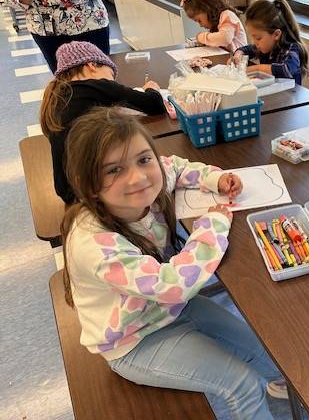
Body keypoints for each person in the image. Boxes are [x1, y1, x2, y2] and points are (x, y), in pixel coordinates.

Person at [60, 108, 287, 418]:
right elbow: (174, 285)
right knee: (241, 385)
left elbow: (175, 167)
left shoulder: (147, 184)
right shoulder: (92, 243)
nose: (138, 177)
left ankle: (282, 388)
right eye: (113, 170)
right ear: (87, 184)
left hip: (169, 309)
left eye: (143, 159)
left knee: (265, 349)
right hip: (133, 341)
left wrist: (216, 179)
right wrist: (214, 224)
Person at [40, 41, 166, 205]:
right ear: (92, 65)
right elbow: (155, 104)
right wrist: (152, 88)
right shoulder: (96, 86)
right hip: (95, 190)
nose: (113, 80)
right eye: (111, 75)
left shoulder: (56, 96)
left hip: (68, 190)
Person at [233, 0, 309, 85]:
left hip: (290, 95)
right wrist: (238, 54)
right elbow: (248, 49)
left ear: (276, 34)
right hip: (271, 92)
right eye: (253, 37)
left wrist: (257, 69)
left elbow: (286, 70)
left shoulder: (292, 48)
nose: (254, 42)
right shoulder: (266, 45)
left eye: (258, 38)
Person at [179, 0, 247, 53]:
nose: (200, 25)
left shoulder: (227, 16)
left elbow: (225, 39)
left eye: (199, 20)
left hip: (241, 61)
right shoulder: (216, 24)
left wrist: (201, 37)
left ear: (208, 9)